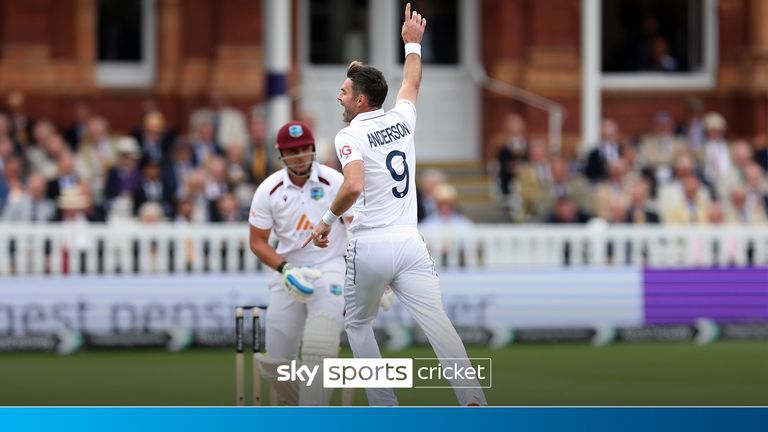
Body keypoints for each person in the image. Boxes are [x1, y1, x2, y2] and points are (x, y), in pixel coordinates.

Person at [304, 3, 486, 406]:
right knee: (439, 324)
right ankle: (473, 401)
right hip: (409, 242)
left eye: (345, 92)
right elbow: (411, 82)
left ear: (361, 101)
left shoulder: (348, 135)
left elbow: (352, 184)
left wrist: (326, 220)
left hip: (369, 244)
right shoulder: (402, 119)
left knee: (357, 324)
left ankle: (385, 405)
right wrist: (412, 44)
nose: (339, 96)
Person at [247, 120, 348, 406]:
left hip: (331, 266)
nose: (300, 156)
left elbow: (357, 228)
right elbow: (257, 242)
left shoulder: (334, 181)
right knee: (276, 364)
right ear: (281, 154)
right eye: (293, 151)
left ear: (313, 149)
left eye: (305, 149)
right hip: (290, 272)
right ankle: (309, 411)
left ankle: (312, 416)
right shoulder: (269, 190)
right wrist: (285, 269)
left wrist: (368, 273)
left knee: (319, 343)